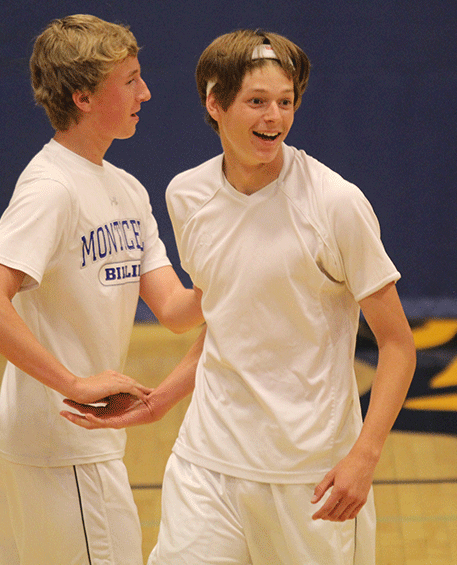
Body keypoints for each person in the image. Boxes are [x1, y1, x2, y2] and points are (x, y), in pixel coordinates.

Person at [62, 29, 416, 565]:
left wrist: (364, 457)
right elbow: (223, 323)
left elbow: (397, 346)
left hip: (310, 479)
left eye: (285, 102)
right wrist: (158, 402)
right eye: (256, 102)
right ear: (214, 102)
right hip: (208, 463)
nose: (273, 118)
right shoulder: (187, 195)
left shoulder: (336, 204)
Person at [0, 14, 203, 565]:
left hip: (74, 449)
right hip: (59, 447)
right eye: (130, 80)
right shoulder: (51, 188)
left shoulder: (126, 189)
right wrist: (73, 381)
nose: (145, 91)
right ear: (85, 98)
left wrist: (239, 266)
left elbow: (175, 310)